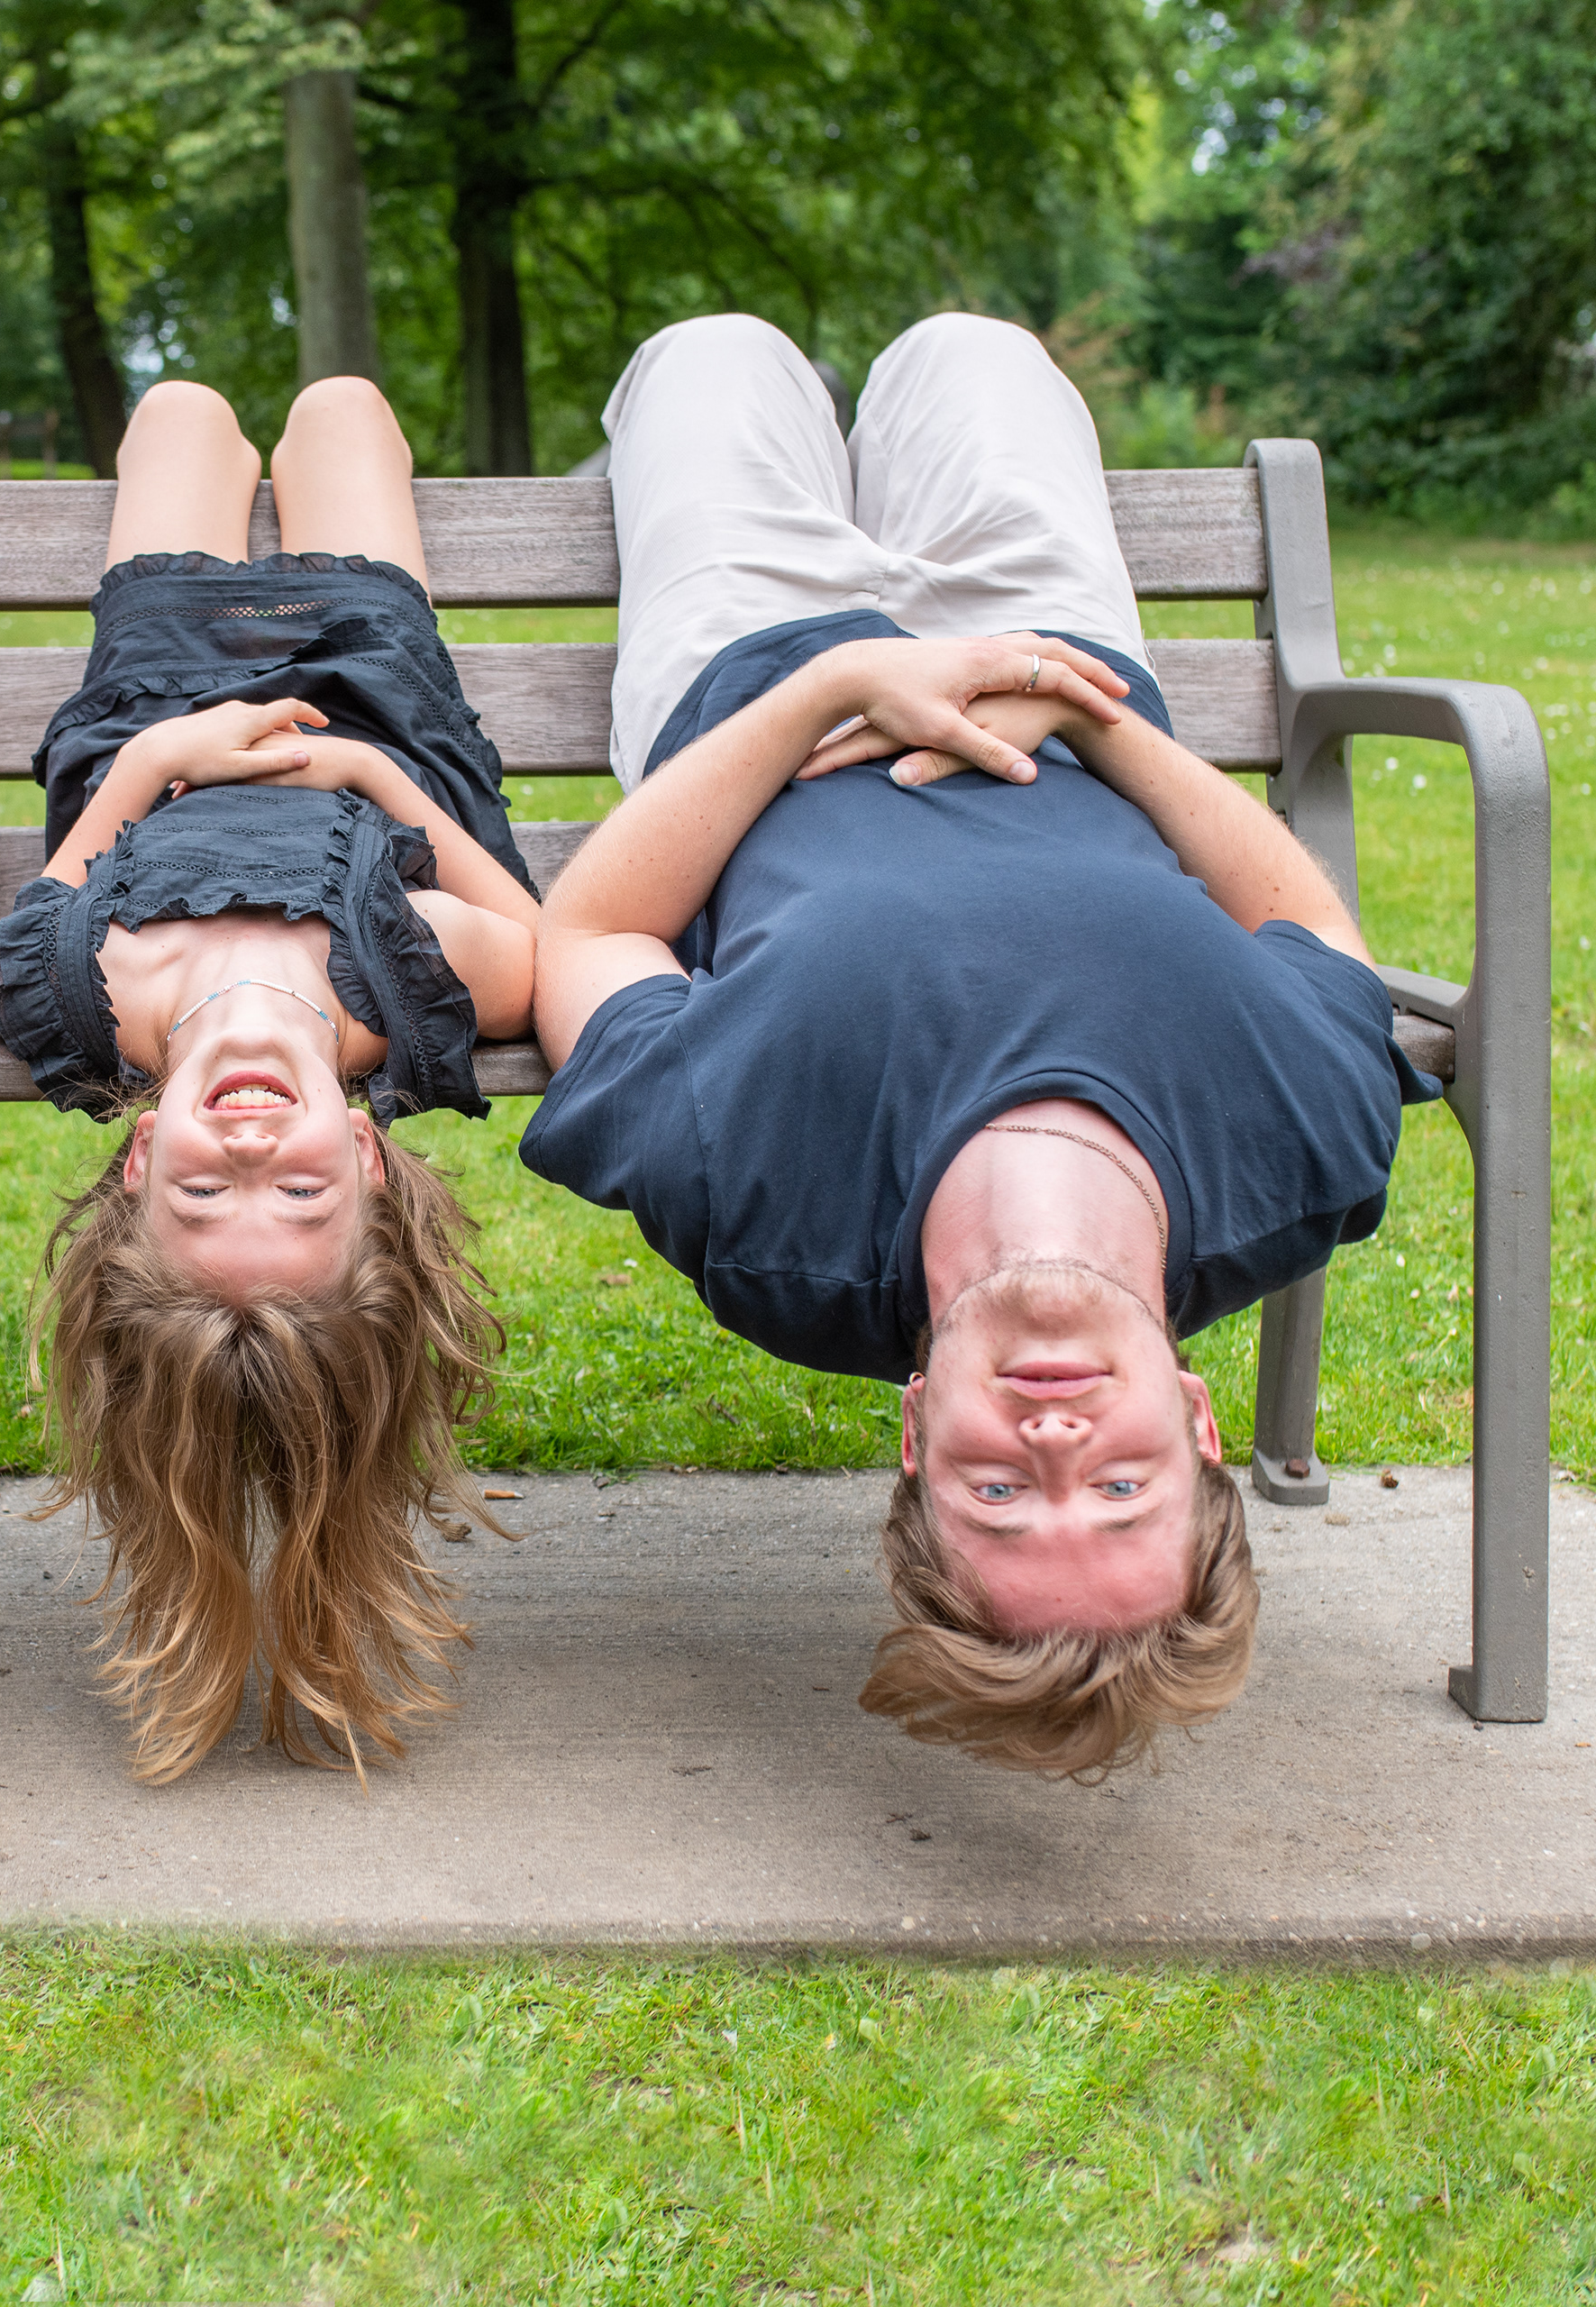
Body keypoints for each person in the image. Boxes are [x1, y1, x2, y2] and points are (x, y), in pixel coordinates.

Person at [524, 313, 1438, 1779]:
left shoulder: (769, 1222)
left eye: (1000, 1497)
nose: (1056, 1447)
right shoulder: (1301, 1158)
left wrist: (827, 692)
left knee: (713, 354)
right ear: (1196, 1425)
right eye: (1123, 1490)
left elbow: (589, 933)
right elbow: (1308, 922)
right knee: (968, 348)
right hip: (1056, 661)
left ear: (915, 1444)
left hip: (750, 672)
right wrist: (1084, 715)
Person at [0, 376, 542, 1783]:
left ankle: (201, 455)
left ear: (137, 1164)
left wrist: (150, 765)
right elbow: (534, 940)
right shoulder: (405, 988)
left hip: (153, 697)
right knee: (344, 412)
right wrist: (369, 776)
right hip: (371, 702)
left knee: (179, 415)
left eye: (202, 1193)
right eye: (296, 1193)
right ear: (365, 1159)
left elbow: (36, 910)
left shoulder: (89, 1002)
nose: (247, 1152)